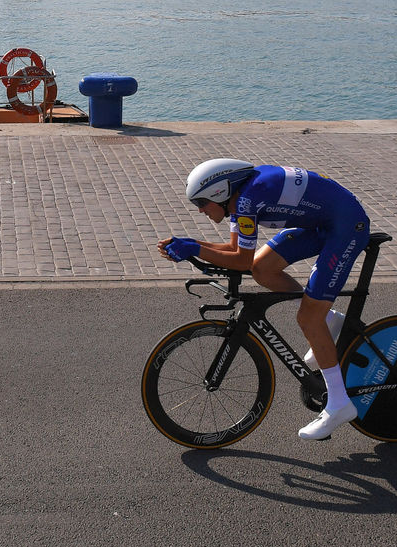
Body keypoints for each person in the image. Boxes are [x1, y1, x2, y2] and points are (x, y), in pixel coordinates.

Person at [157, 158, 370, 440]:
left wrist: (195, 247)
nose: (201, 211)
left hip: (346, 226)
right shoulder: (241, 197)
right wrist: (190, 246)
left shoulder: (248, 199)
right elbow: (237, 251)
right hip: (322, 223)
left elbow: (240, 261)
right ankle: (330, 322)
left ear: (220, 193)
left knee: (308, 317)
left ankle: (340, 403)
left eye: (201, 204)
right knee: (263, 268)